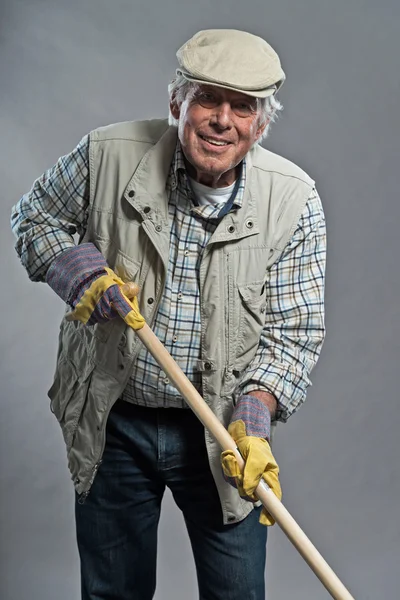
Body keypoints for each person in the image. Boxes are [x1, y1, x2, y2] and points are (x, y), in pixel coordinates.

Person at [11, 28, 326, 600]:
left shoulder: (296, 201)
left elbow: (294, 333)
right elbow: (34, 221)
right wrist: (83, 272)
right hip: (114, 420)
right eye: (208, 99)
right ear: (178, 102)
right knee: (113, 594)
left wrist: (254, 418)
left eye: (242, 107)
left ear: (260, 123)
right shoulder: (107, 154)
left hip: (217, 435)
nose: (221, 120)